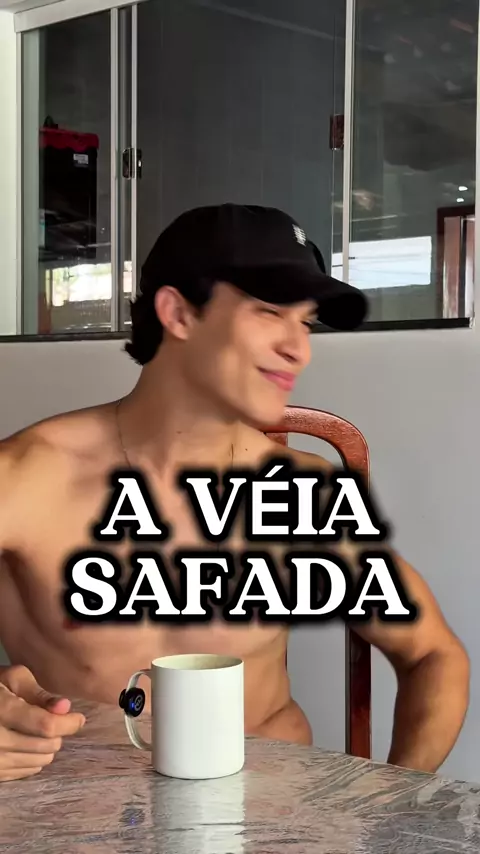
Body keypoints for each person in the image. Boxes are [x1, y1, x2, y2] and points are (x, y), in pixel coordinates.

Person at [0, 203, 469, 783]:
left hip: (274, 809)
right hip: (90, 809)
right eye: (270, 311)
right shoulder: (28, 476)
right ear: (179, 313)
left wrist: (392, 807)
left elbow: (433, 655)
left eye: (306, 322)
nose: (300, 349)